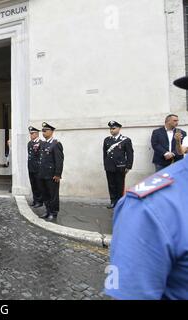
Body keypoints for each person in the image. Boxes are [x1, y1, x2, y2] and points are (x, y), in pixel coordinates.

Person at [105, 75, 188, 300]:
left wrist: (127, 166)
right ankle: (113, 199)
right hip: (163, 161)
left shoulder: (179, 134)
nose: (112, 130)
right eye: (173, 119)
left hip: (155, 162)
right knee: (114, 187)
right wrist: (166, 152)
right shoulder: (150, 206)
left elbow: (128, 154)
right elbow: (156, 145)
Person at [103, 121, 134, 209]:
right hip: (109, 166)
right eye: (110, 129)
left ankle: (120, 202)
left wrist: (128, 166)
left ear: (119, 129)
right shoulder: (107, 140)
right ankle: (113, 201)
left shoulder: (126, 140)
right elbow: (104, 154)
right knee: (111, 184)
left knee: (120, 185)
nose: (111, 130)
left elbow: (130, 154)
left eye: (113, 128)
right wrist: (105, 164)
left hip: (120, 167)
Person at [37, 122, 64, 221]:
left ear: (51, 131)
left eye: (45, 130)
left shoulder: (56, 144)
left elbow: (59, 161)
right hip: (42, 174)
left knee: (53, 195)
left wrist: (58, 174)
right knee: (45, 194)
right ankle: (48, 210)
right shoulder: (43, 144)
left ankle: (54, 212)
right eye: (42, 131)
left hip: (52, 175)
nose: (43, 132)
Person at [27, 126, 43, 208]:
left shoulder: (41, 143)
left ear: (37, 134)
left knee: (38, 185)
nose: (31, 135)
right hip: (31, 167)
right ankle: (35, 200)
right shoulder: (30, 143)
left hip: (37, 168)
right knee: (33, 184)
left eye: (32, 133)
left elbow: (40, 156)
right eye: (30, 133)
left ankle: (40, 201)